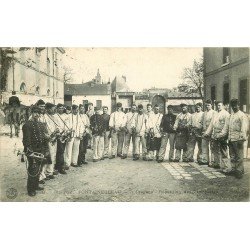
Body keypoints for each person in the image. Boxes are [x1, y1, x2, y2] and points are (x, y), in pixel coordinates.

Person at [22, 105, 50, 196]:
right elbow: (26, 140)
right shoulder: (27, 125)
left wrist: (46, 149)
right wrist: (30, 151)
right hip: (33, 150)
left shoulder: (41, 124)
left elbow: (45, 138)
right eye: (35, 112)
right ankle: (30, 189)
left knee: (40, 168)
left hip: (41, 149)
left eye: (38, 113)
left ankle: (36, 185)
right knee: (33, 169)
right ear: (32, 113)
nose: (37, 114)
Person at [203, 101, 231, 172]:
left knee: (223, 151)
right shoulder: (215, 114)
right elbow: (211, 125)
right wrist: (207, 133)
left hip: (222, 135)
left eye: (219, 105)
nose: (218, 107)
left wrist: (222, 134)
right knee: (215, 149)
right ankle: (217, 163)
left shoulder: (226, 114)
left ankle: (226, 167)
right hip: (215, 134)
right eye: (217, 106)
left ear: (223, 106)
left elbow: (226, 126)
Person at [227, 99, 248, 178]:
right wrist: (228, 138)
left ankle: (239, 170)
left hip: (238, 138)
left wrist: (241, 138)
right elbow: (229, 128)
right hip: (231, 138)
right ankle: (233, 169)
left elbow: (244, 128)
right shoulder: (231, 115)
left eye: (236, 105)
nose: (234, 107)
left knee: (239, 155)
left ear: (239, 105)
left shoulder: (242, 115)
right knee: (232, 155)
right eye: (232, 105)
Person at [40, 103, 59, 180]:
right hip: (48, 139)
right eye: (52, 109)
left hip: (54, 138)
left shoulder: (54, 117)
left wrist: (57, 131)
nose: (54, 110)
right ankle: (45, 173)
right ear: (48, 109)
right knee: (48, 156)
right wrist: (50, 136)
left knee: (53, 155)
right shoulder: (44, 117)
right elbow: (44, 130)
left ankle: (50, 171)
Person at [199, 99, 216, 165]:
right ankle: (205, 160)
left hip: (211, 132)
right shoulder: (204, 113)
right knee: (204, 147)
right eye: (206, 105)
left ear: (211, 105)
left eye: (208, 105)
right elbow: (202, 121)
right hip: (204, 131)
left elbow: (213, 123)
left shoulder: (214, 113)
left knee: (212, 147)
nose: (207, 107)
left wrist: (209, 132)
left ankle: (212, 161)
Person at [54, 103, 68, 174]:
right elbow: (55, 126)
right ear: (57, 109)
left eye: (62, 108)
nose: (61, 109)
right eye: (59, 108)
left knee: (62, 151)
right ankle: (59, 167)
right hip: (58, 135)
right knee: (59, 151)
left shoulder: (66, 116)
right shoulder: (55, 116)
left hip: (64, 135)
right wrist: (59, 132)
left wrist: (66, 133)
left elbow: (67, 125)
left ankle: (59, 166)